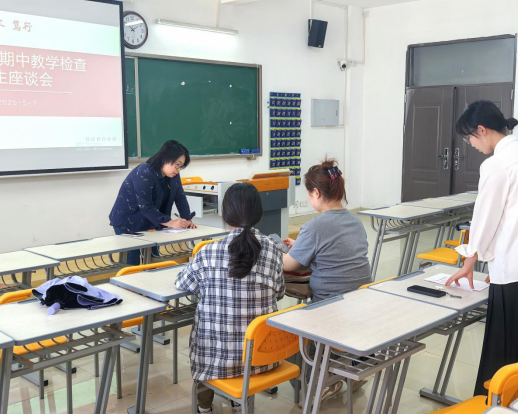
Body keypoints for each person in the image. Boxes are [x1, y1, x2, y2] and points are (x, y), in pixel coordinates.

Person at [445, 100, 518, 396]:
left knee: (505, 352)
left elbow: (484, 220)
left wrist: (469, 260)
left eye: (469, 137)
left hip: (514, 270)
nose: (470, 144)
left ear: (482, 130)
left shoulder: (497, 164)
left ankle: (495, 403)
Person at [175, 183, 285, 414]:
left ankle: (205, 407)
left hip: (215, 362)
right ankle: (238, 401)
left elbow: (183, 284)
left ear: (225, 216)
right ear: (258, 213)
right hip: (263, 359)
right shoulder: (274, 250)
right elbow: (280, 292)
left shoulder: (208, 252)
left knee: (207, 344)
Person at [282, 158, 372, 400]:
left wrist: (275, 251)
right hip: (360, 303)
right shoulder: (355, 221)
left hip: (329, 307)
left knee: (286, 331)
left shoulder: (315, 226)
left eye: (308, 194)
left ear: (316, 193)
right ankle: (348, 371)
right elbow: (334, 251)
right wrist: (301, 245)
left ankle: (318, 384)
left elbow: (288, 265)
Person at [109, 140, 196, 265]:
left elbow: (180, 197)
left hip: (151, 221)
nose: (178, 169)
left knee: (153, 260)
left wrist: (187, 220)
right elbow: (146, 207)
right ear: (166, 158)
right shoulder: (144, 171)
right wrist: (171, 222)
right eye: (177, 165)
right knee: (132, 262)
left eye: (181, 166)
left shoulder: (173, 175)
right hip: (128, 221)